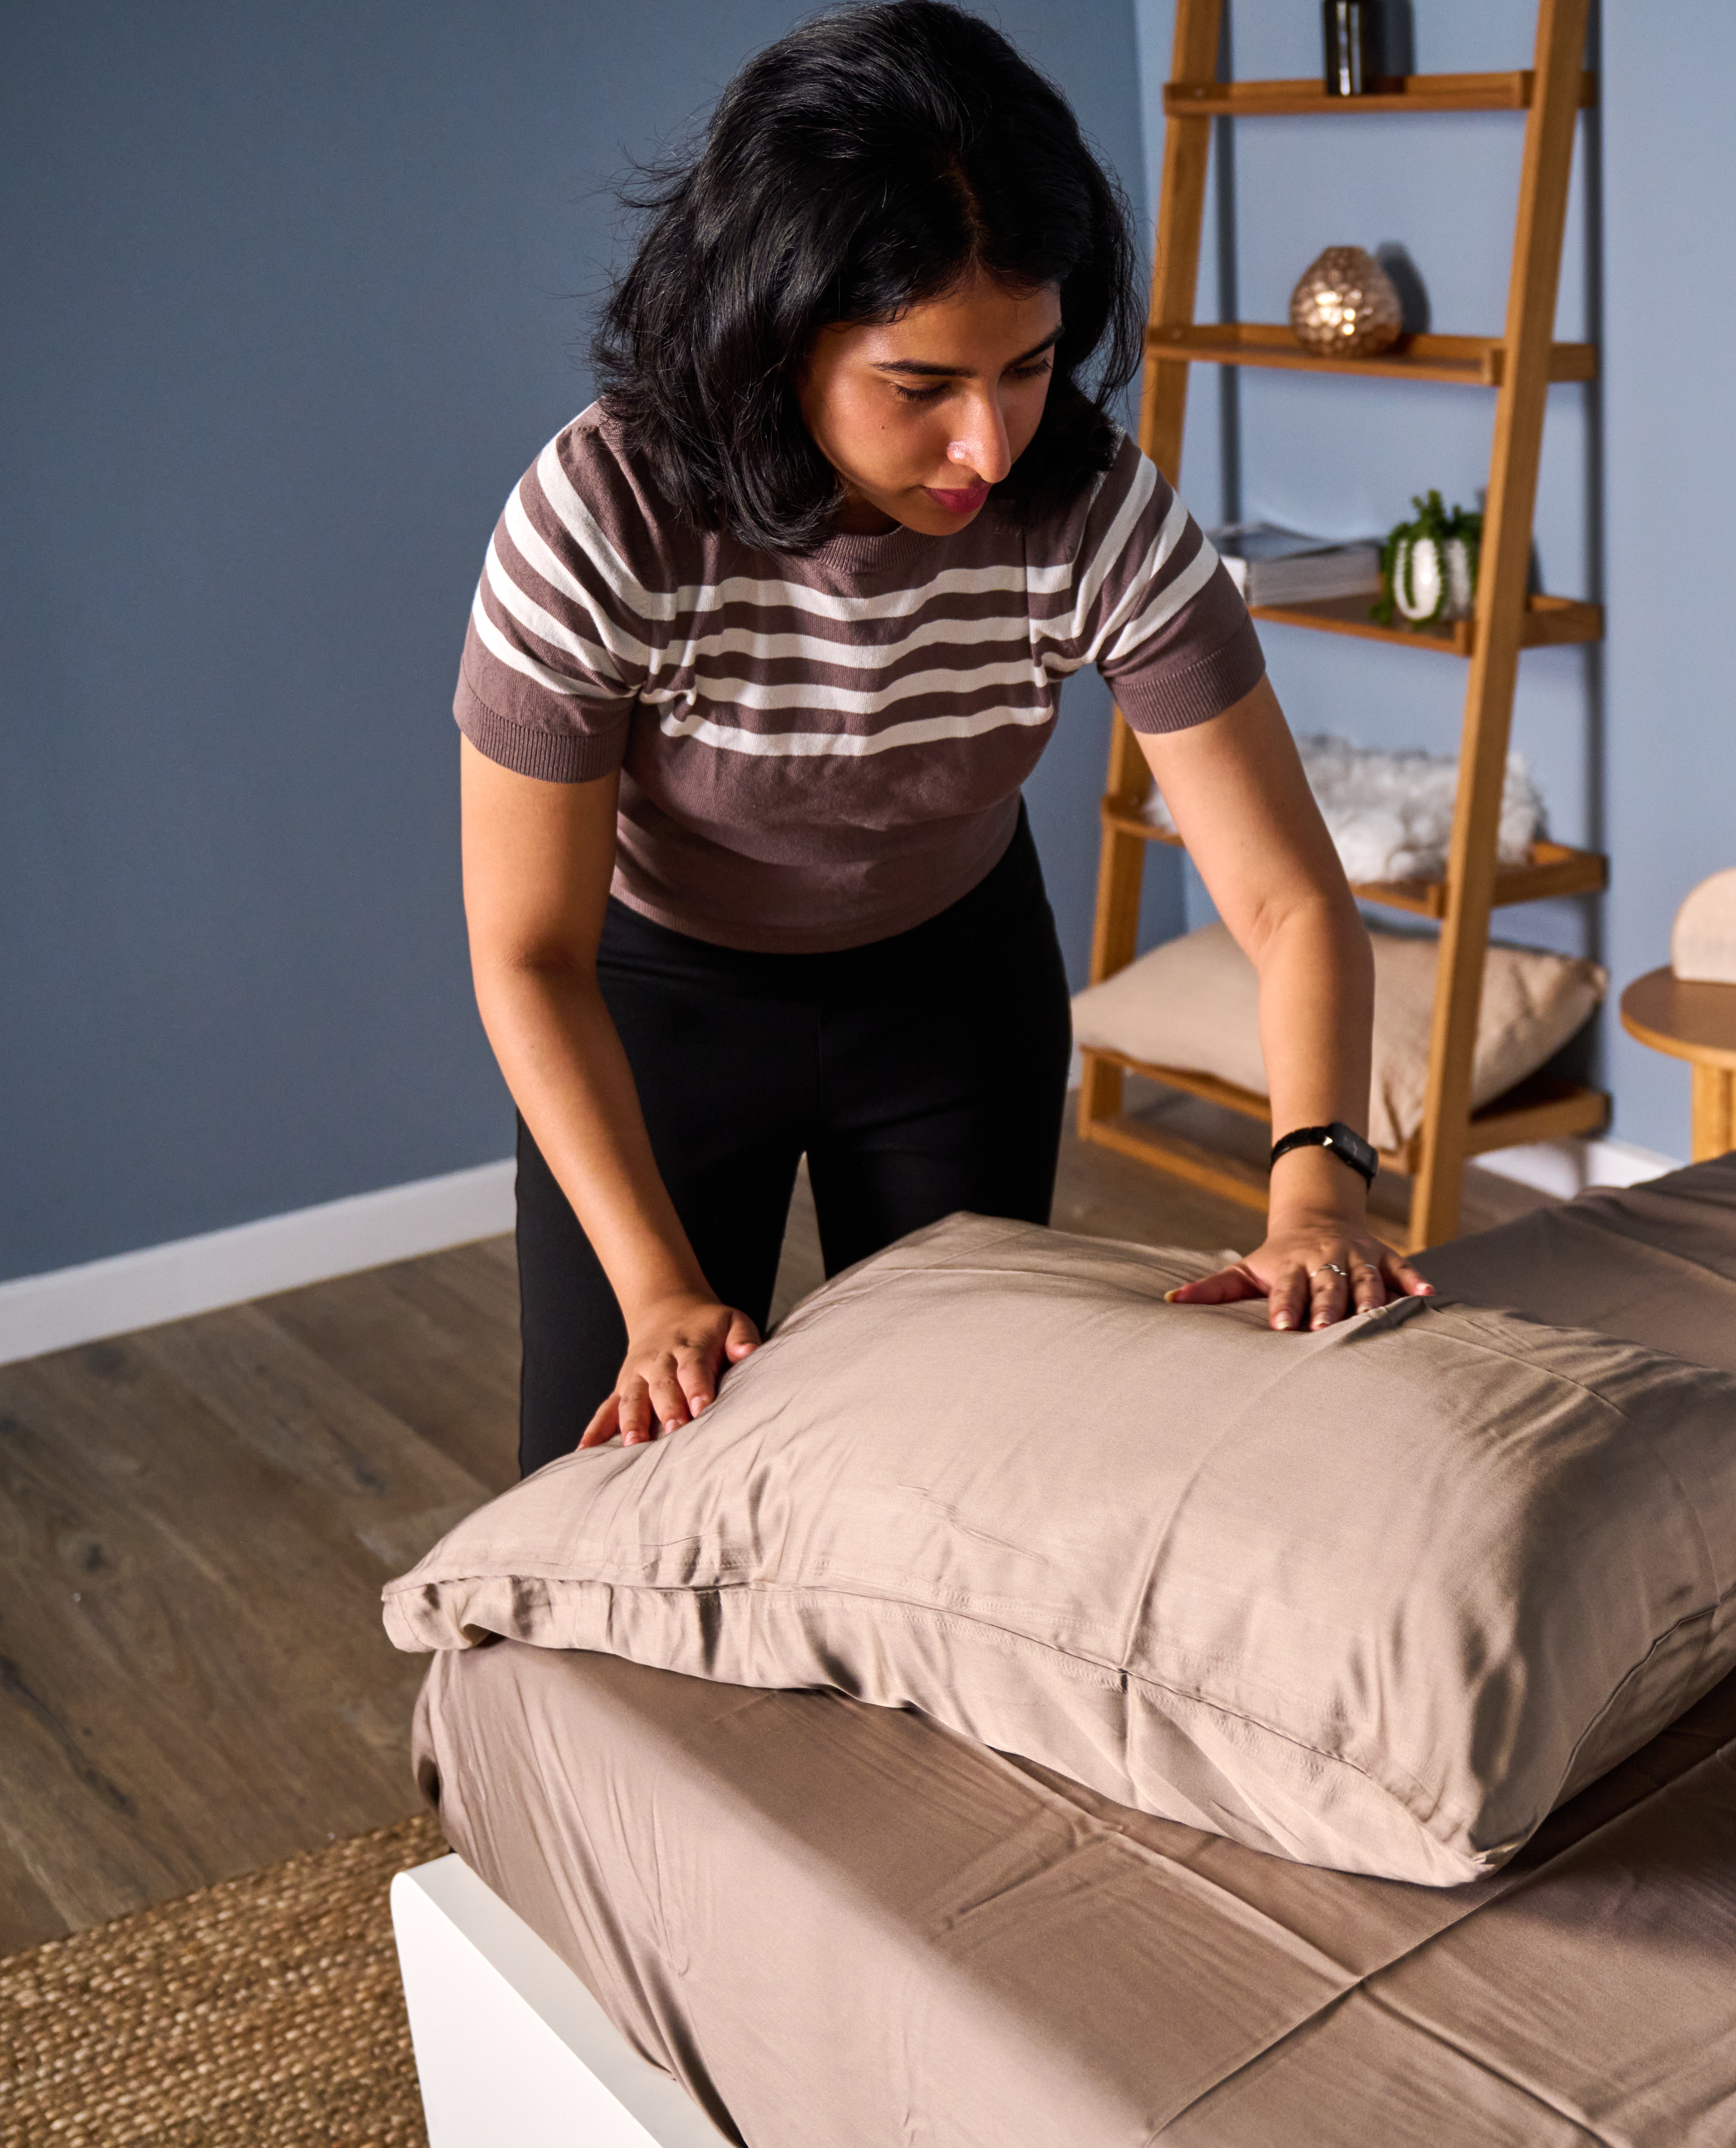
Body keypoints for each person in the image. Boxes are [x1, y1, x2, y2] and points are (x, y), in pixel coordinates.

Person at [459, 2, 1423, 1478]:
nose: (990, 446)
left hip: (953, 993)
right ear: (775, 335)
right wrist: (655, 1294)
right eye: (922, 387)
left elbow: (1290, 901)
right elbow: (529, 952)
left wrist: (1317, 1190)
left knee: (951, 1464)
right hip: (658, 1012)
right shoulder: (603, 516)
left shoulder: (1092, 509)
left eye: (1029, 366)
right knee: (603, 1485)